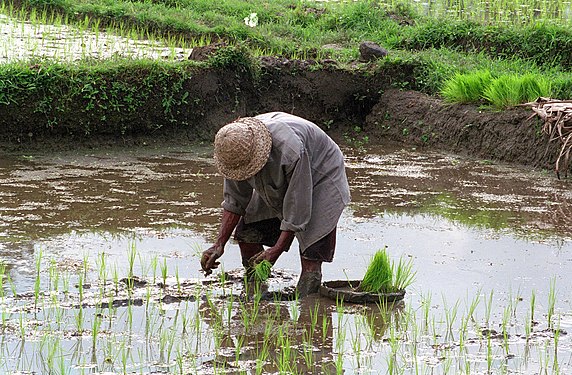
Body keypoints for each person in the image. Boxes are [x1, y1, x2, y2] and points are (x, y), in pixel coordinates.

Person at [200, 112, 350, 297]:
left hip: (320, 173)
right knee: (247, 235)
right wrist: (219, 244)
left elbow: (298, 206)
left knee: (311, 252)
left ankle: (307, 305)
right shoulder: (235, 151)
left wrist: (277, 249)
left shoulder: (291, 149)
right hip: (275, 177)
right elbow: (234, 200)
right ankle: (256, 294)